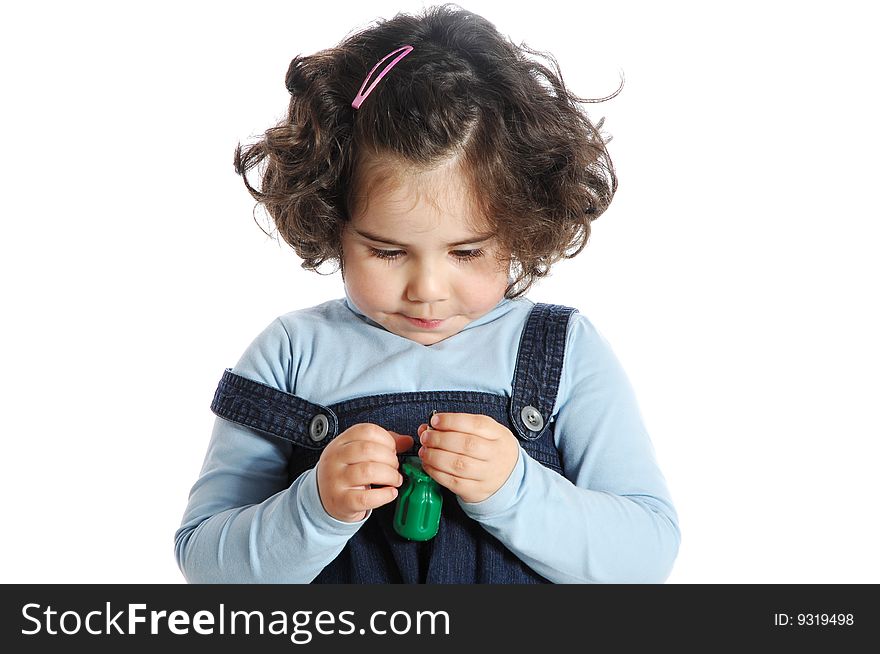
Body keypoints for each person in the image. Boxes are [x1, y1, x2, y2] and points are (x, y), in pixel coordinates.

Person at [175, 3, 680, 584]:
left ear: (522, 224)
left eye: (467, 253)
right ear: (330, 219)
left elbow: (645, 555)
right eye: (387, 252)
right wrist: (314, 507)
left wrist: (517, 489)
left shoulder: (565, 352)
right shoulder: (291, 354)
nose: (427, 291)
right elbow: (205, 562)